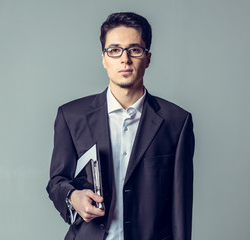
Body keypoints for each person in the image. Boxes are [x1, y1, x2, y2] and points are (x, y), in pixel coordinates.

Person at [46, 12, 195, 240]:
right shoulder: (71, 116)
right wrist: (72, 197)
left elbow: (181, 207)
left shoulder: (177, 121)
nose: (125, 59)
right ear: (104, 59)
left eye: (134, 49)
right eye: (114, 50)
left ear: (148, 58)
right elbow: (57, 181)